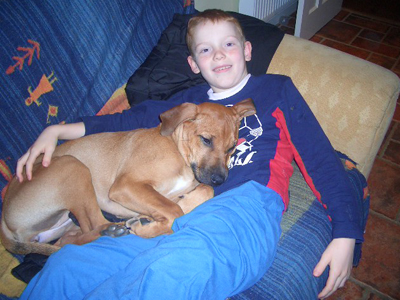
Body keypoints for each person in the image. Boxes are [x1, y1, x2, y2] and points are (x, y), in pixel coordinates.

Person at [17, 9, 363, 299]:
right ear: (194, 63)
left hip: (242, 208)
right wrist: (58, 130)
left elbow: (320, 159)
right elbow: (128, 119)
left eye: (228, 45)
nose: (219, 55)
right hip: (181, 207)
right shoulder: (189, 102)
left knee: (172, 272)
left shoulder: (275, 89)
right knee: (68, 269)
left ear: (246, 50)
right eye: (206, 50)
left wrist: (345, 234)